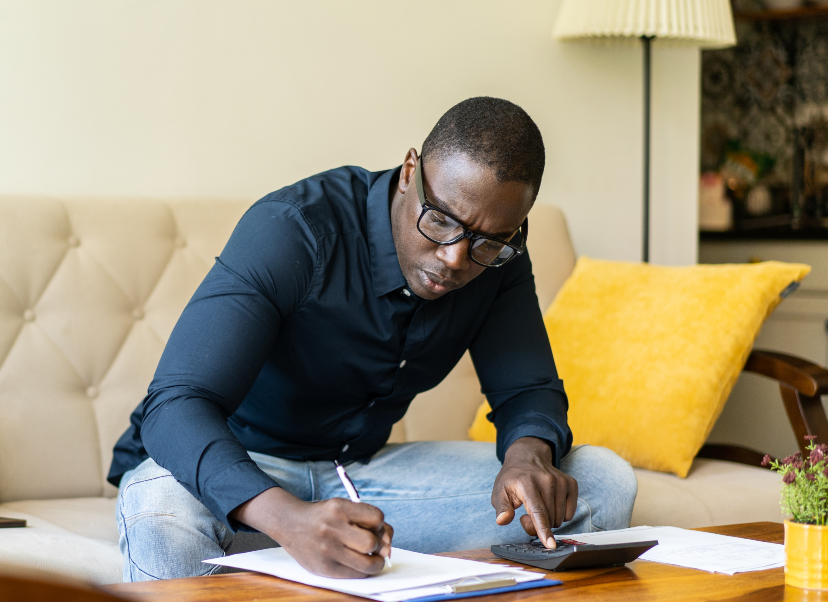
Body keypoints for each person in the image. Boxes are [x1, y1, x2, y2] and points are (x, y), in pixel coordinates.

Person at [107, 97, 638, 583]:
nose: (455, 258)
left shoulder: (496, 260)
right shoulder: (296, 229)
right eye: (442, 221)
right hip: (240, 468)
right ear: (411, 172)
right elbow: (174, 407)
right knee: (161, 511)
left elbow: (527, 390)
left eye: (487, 241)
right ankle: (279, 540)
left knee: (601, 480)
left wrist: (527, 455)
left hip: (362, 477)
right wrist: (290, 520)